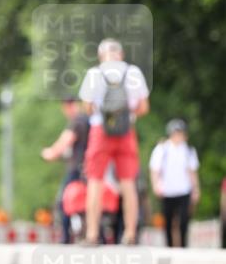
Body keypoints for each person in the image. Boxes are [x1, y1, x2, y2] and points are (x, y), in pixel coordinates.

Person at [78, 39, 149, 245]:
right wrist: (125, 113)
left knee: (95, 181)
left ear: (101, 55)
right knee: (128, 183)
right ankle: (130, 233)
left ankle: (92, 234)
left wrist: (106, 111)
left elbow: (88, 107)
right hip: (126, 132)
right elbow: (143, 107)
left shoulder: (95, 73)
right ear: (121, 54)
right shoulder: (133, 73)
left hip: (101, 130)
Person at [41, 96, 90, 243]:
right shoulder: (89, 120)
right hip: (91, 170)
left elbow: (64, 141)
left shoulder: (77, 121)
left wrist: (49, 153)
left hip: (77, 169)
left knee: (65, 201)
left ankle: (66, 238)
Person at [149, 119, 200, 247]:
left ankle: (183, 246)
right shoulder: (162, 149)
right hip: (167, 191)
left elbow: (192, 172)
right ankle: (169, 246)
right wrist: (156, 185)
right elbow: (155, 169)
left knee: (183, 220)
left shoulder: (188, 150)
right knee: (168, 220)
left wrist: (196, 189)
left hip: (184, 190)